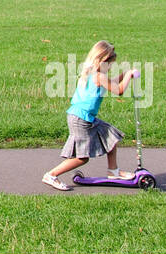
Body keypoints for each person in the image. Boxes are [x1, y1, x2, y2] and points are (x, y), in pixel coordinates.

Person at [42, 40, 141, 191]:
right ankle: (51, 175)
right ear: (101, 61)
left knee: (111, 137)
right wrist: (128, 75)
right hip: (81, 119)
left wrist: (124, 75)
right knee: (82, 158)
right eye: (110, 64)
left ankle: (113, 172)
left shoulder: (94, 74)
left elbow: (112, 83)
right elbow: (119, 90)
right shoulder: (98, 76)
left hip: (83, 117)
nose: (111, 67)